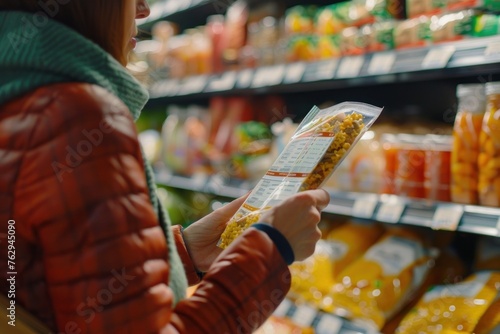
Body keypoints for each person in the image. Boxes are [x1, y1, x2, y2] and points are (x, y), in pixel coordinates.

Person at [0, 1, 330, 333]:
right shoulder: (78, 116)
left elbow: (64, 284)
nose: (143, 10)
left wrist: (185, 253)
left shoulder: (20, 93)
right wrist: (272, 249)